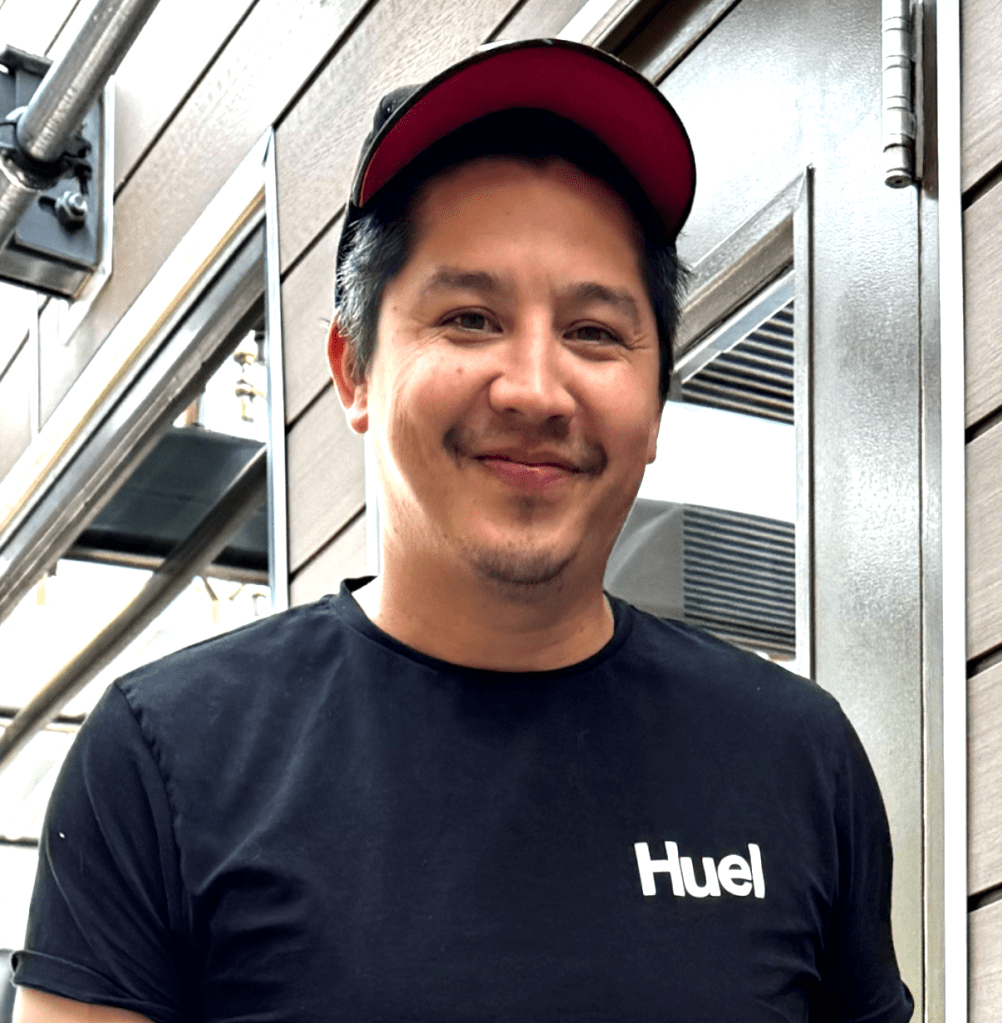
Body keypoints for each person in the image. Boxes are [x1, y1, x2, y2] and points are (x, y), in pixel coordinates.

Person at [12, 38, 913, 1023]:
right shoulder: (165, 758)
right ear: (354, 369)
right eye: (471, 318)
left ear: (656, 402)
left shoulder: (794, 758)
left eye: (594, 332)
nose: (534, 389)